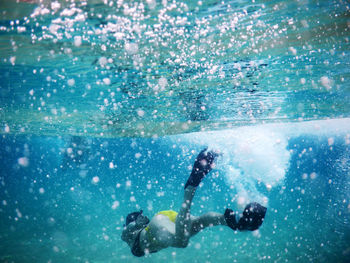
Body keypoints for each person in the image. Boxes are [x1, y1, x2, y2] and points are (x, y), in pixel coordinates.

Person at [121, 148, 267, 257]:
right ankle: (235, 221)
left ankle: (192, 185)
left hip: (159, 225)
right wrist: (137, 223)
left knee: (181, 241)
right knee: (200, 222)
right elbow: (127, 231)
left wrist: (136, 224)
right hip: (171, 221)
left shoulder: (136, 237)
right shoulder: (134, 234)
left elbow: (125, 232)